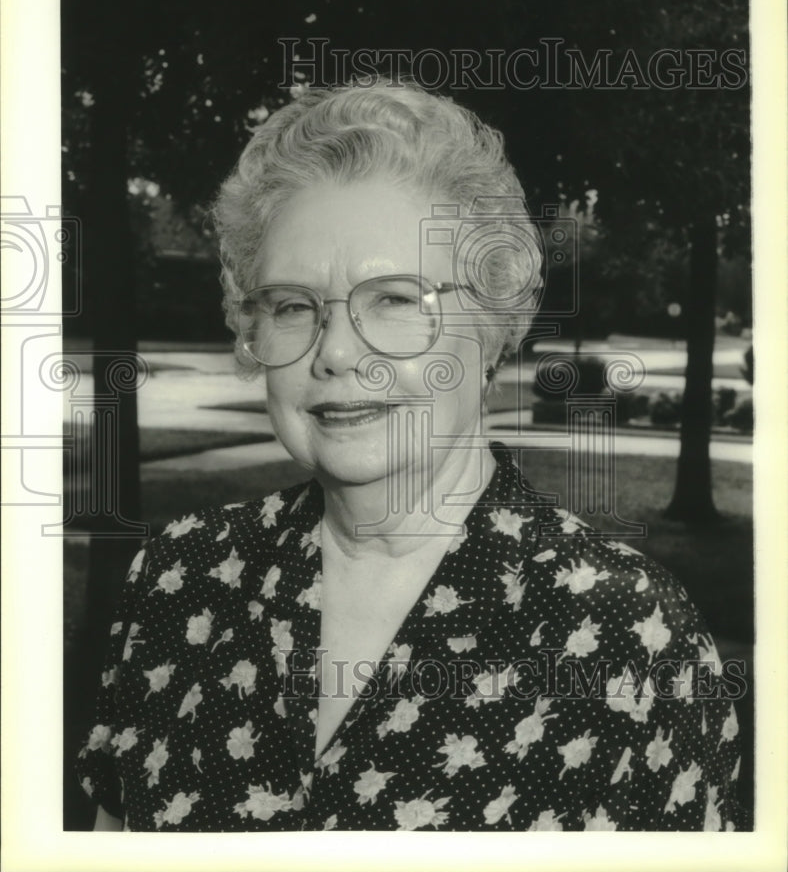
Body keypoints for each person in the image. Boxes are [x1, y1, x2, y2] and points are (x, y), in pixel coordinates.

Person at [77, 81, 744, 831]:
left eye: (395, 300)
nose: (332, 351)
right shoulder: (177, 581)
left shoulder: (632, 641)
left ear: (490, 326)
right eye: (293, 306)